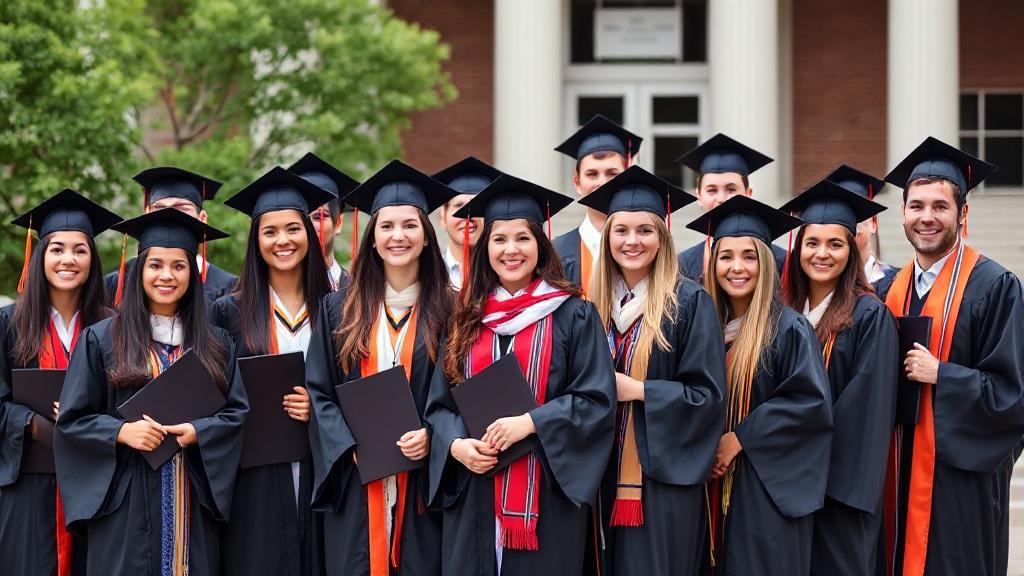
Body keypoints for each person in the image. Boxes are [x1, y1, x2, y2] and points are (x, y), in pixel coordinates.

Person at [425, 174, 616, 575]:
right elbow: (439, 406)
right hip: (473, 490)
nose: (511, 250)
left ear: (540, 244)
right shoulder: (465, 317)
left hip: (547, 494)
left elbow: (596, 400)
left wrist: (530, 422)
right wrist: (457, 445)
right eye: (499, 239)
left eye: (522, 238)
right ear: (485, 247)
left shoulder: (573, 314)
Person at [54, 208, 247, 574]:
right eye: (155, 265)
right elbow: (71, 422)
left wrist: (199, 432)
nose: (167, 276)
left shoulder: (217, 344)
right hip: (125, 509)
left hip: (192, 503)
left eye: (179, 266)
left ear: (193, 273)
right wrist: (121, 432)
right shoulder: (101, 339)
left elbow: (236, 415)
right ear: (139, 271)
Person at [876, 137, 1024, 576]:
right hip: (894, 472)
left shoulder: (996, 287)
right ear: (902, 213)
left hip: (959, 482)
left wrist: (944, 374)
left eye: (940, 207)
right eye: (916, 206)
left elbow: (1012, 395)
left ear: (963, 214)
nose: (926, 217)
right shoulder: (887, 291)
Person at [305, 159, 455, 575]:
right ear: (372, 239)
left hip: (423, 488)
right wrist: (348, 444)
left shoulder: (451, 311)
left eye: (410, 225)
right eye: (386, 226)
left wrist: (432, 435)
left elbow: (459, 394)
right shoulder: (338, 310)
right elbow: (320, 392)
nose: (398, 236)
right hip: (357, 482)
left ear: (427, 237)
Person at [580, 166, 725, 575]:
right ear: (607, 238)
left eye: (645, 230)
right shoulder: (590, 307)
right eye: (621, 231)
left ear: (662, 238)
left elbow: (708, 398)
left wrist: (641, 390)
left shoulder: (690, 303)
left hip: (662, 482)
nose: (632, 241)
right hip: (598, 475)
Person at [686, 195, 832, 575]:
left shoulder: (788, 329)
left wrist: (739, 439)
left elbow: (808, 404)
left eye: (749, 256)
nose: (737, 267)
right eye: (726, 256)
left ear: (765, 264)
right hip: (705, 491)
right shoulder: (701, 328)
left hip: (765, 495)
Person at [213, 167, 334, 575]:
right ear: (256, 241)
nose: (282, 240)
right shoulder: (229, 312)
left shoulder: (337, 309)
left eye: (293, 229)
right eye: (270, 231)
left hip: (324, 470)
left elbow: (356, 386)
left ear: (309, 234)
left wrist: (320, 408)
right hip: (256, 479)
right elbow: (216, 400)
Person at [779, 179, 899, 575]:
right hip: (785, 489)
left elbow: (866, 411)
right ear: (798, 249)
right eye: (812, 243)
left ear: (852, 251)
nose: (822, 254)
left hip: (839, 493)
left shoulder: (869, 316)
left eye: (835, 244)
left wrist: (814, 477)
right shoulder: (783, 310)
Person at [0, 189, 120, 575]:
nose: (68, 259)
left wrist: (88, 418)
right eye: (57, 249)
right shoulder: (10, 324)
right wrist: (38, 426)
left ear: (92, 259)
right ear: (39, 257)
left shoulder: (113, 327)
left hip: (98, 486)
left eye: (80, 250)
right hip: (28, 485)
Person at [104, 167, 237, 305]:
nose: (170, 215)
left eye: (182, 208)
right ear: (146, 214)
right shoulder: (116, 284)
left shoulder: (227, 288)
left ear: (202, 218)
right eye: (160, 208)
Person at [675, 134, 787, 283]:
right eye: (712, 190)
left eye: (731, 189)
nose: (721, 199)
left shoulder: (781, 261)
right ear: (699, 197)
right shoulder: (685, 264)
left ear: (748, 194)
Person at [552, 114, 642, 293]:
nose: (602, 182)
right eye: (592, 174)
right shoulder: (555, 255)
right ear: (577, 183)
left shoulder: (646, 248)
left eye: (612, 173)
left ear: (627, 177)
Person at [288, 152, 361, 292]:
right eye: (300, 219)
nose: (307, 226)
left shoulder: (360, 294)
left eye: (318, 217)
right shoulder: (267, 296)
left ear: (338, 223)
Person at [433, 156, 504, 290]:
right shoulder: (427, 275)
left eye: (477, 205)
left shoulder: (506, 275)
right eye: (459, 205)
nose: (467, 215)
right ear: (443, 217)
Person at [822, 164, 896, 286]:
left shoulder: (897, 281)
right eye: (841, 215)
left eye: (857, 214)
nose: (849, 222)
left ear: (873, 223)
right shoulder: (821, 284)